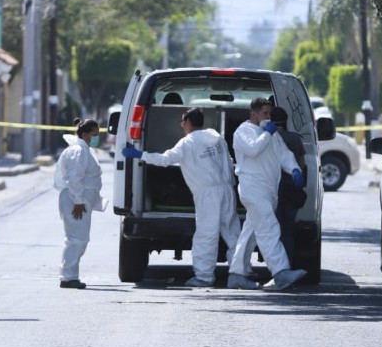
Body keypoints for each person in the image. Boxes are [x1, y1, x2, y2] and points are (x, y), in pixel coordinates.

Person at [122, 107, 241, 287]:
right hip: (226, 190)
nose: (182, 126)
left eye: (182, 122)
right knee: (233, 233)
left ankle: (204, 277)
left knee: (206, 235)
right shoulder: (216, 138)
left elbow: (164, 160)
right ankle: (240, 273)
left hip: (207, 194)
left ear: (187, 123)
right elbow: (230, 162)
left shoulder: (187, 143)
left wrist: (140, 155)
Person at [227, 97, 307, 291]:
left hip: (268, 191)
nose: (268, 117)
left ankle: (237, 274)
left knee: (250, 233)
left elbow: (284, 155)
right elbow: (253, 149)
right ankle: (281, 272)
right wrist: (267, 134)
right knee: (269, 229)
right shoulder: (243, 132)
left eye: (269, 113)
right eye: (265, 113)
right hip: (253, 189)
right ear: (253, 114)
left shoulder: (272, 134)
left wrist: (294, 169)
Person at [53, 118, 104, 289]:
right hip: (75, 201)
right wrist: (79, 201)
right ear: (84, 134)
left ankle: (69, 275)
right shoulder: (78, 151)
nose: (96, 138)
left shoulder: (84, 150)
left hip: (79, 200)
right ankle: (68, 277)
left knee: (79, 239)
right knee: (76, 239)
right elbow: (75, 178)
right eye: (94, 135)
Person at [270, 106, 307, 265]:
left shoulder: (268, 138)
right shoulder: (295, 138)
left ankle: (276, 266)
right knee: (288, 232)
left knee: (274, 231)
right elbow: (302, 164)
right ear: (286, 121)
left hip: (273, 190)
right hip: (292, 189)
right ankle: (288, 265)